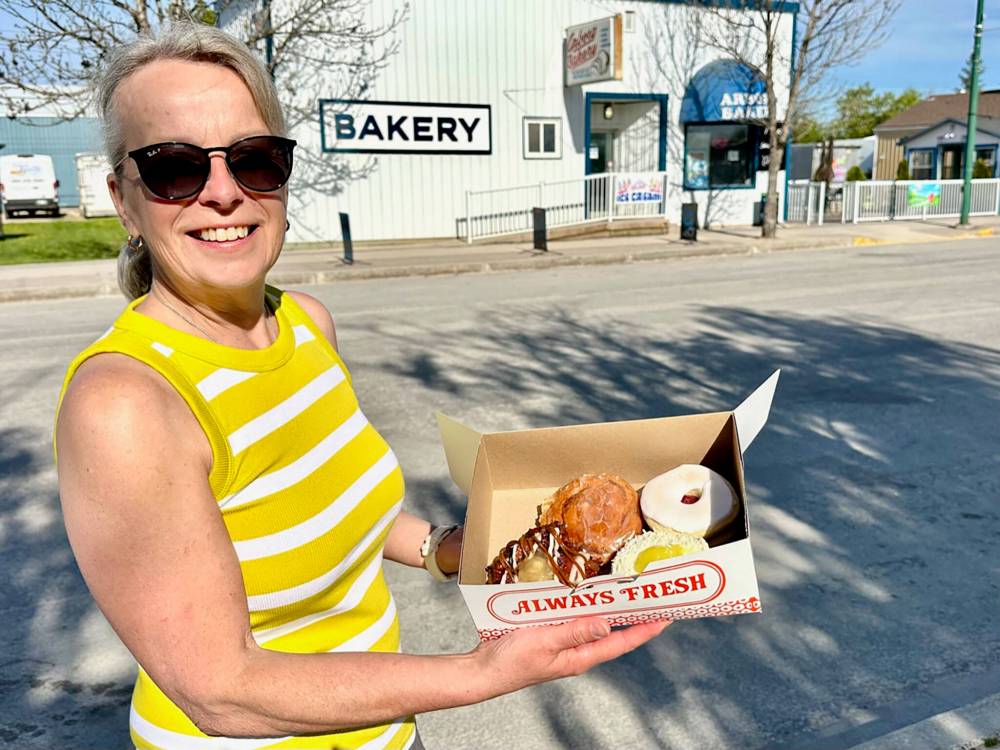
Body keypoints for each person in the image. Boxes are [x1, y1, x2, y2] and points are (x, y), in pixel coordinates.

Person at [54, 22, 667, 750]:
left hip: (378, 730)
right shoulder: (125, 403)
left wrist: (453, 547)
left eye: (254, 159)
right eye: (173, 168)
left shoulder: (306, 323)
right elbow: (221, 692)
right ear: (124, 198)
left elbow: (342, 512)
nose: (223, 193)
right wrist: (482, 672)